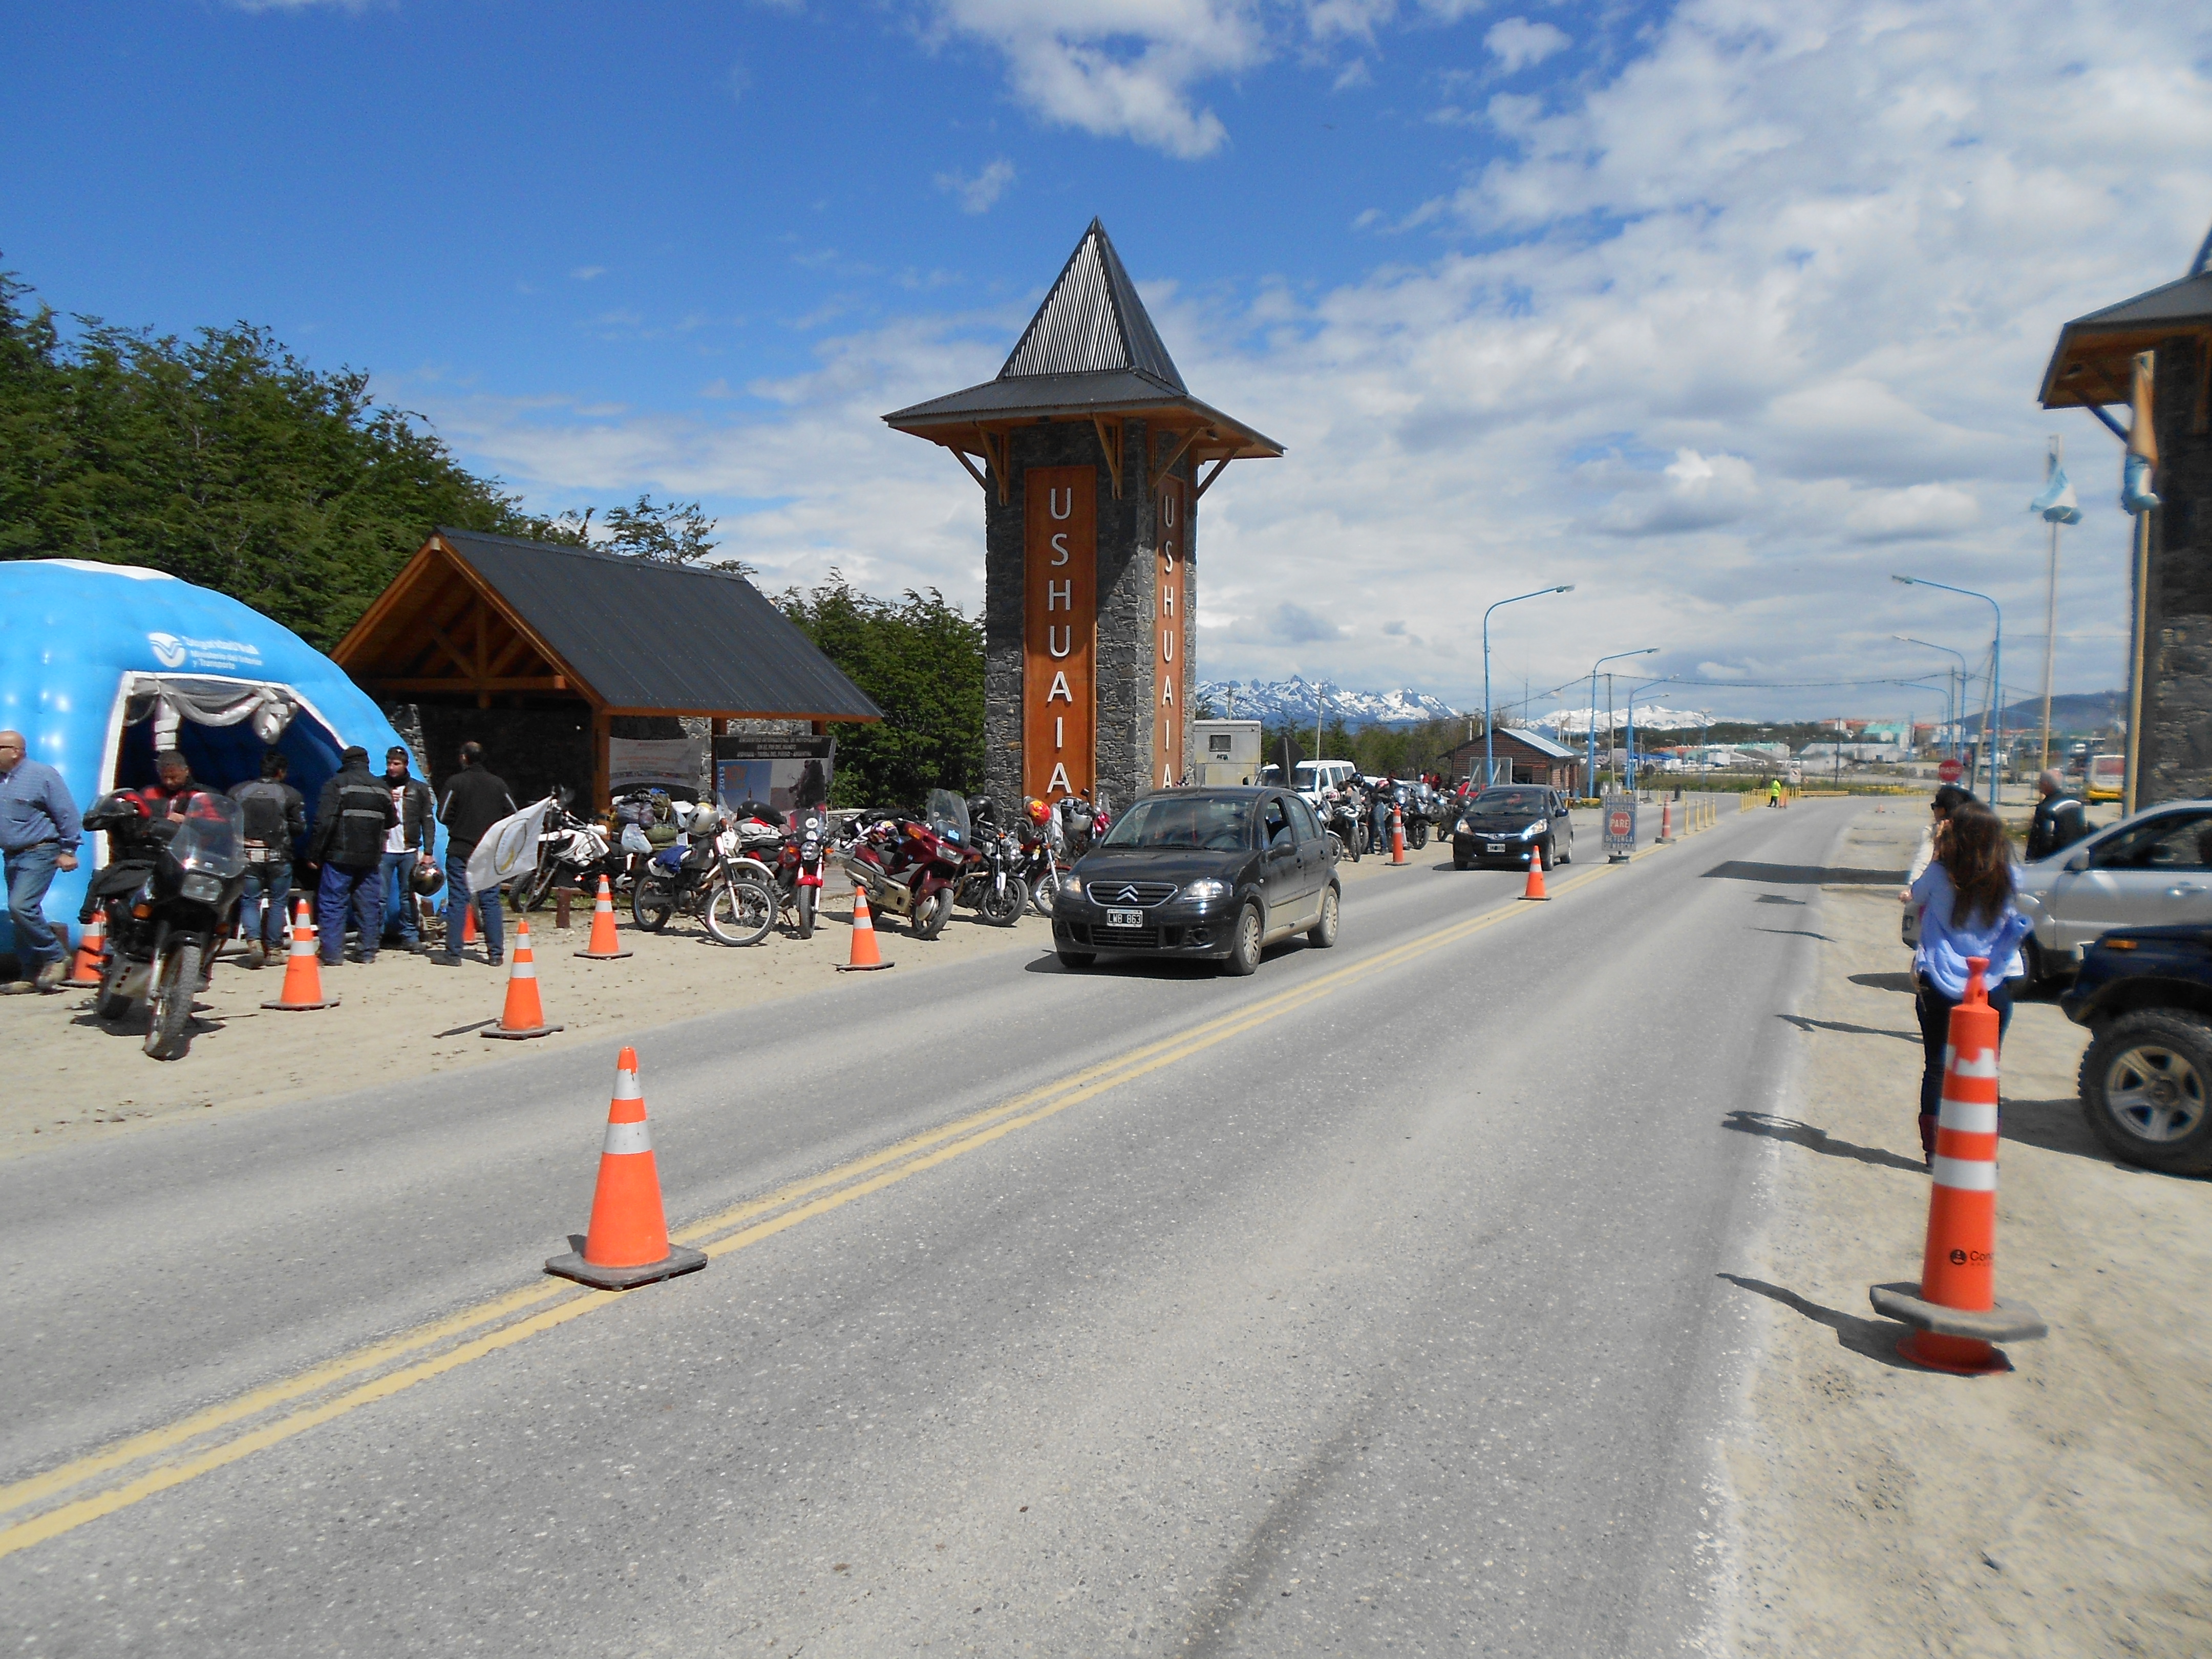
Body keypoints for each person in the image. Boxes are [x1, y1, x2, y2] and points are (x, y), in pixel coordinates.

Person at [1908, 801, 2031, 1165]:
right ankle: (1981, 1151)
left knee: (1937, 1065)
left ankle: (1935, 1151)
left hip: (1939, 980)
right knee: (1984, 1068)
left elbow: (1916, 895)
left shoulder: (1940, 873)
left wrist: (1937, 848)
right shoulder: (2009, 876)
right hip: (1993, 981)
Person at [0, 730, 83, 994]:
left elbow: (67, 813)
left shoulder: (42, 775)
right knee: (20, 915)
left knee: (20, 906)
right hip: (12, 855)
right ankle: (30, 974)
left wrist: (69, 850)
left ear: (15, 751)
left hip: (40, 851)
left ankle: (56, 956)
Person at [307, 745, 397, 966]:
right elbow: (392, 821)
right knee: (368, 905)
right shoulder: (382, 788)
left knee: (333, 904)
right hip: (370, 858)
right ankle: (367, 952)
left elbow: (325, 822)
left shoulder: (336, 785)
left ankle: (332, 954)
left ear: (345, 763)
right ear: (367, 763)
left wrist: (314, 853)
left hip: (340, 856)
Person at [437, 741, 517, 966]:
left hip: (461, 849)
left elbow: (442, 816)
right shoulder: (498, 785)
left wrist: (459, 824)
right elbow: (514, 815)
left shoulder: (455, 782)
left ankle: (453, 954)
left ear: (464, 758)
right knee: (490, 901)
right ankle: (495, 954)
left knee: (458, 901)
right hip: (489, 851)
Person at [231, 751, 307, 969]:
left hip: (246, 855)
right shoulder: (290, 794)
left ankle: (253, 943)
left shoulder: (239, 792)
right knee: (278, 902)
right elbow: (299, 827)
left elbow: (228, 820)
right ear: (281, 772)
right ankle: (274, 950)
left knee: (250, 900)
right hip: (278, 856)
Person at [378, 746, 435, 955]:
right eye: (389, 763)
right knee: (380, 895)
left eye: (396, 764)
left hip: (408, 848)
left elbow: (427, 821)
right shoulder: (380, 785)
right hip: (384, 849)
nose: (392, 768)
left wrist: (428, 851)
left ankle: (410, 935)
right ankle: (374, 936)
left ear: (405, 765)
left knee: (408, 894)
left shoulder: (418, 789)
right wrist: (385, 800)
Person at [2026, 769, 2090, 861]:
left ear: (2046, 783)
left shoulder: (2046, 809)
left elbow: (2042, 839)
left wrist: (2031, 859)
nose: (2038, 785)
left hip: (2056, 860)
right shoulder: (2076, 804)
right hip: (2077, 857)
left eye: (2040, 782)